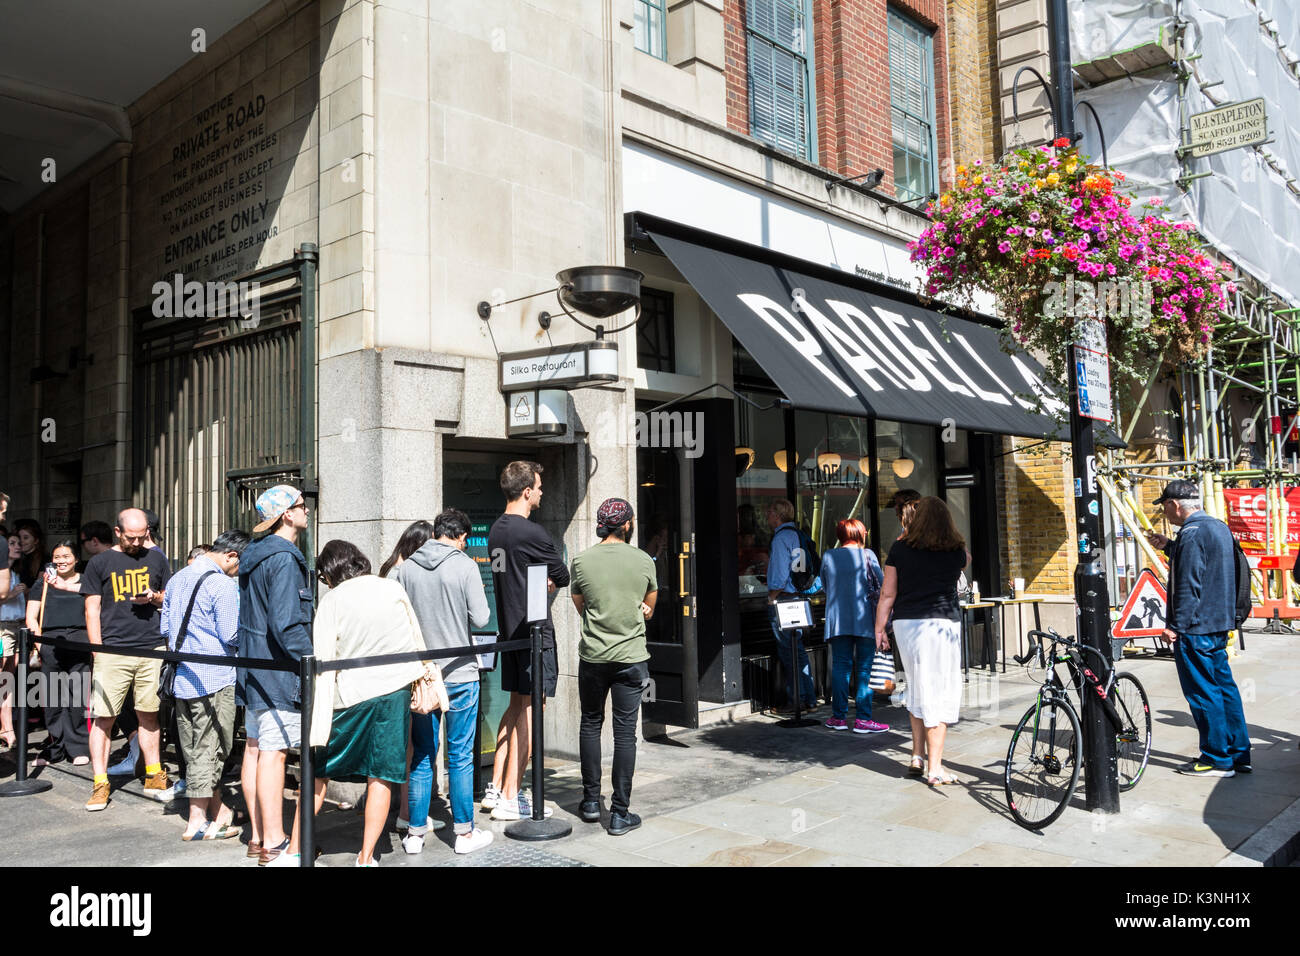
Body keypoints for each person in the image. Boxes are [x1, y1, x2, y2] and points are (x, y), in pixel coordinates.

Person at [276, 540, 426, 867]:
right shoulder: (391, 588)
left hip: (349, 698)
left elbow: (324, 657)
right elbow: (414, 637)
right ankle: (366, 856)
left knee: (317, 773)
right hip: (393, 693)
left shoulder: (334, 600)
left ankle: (294, 851)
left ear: (330, 572)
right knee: (381, 776)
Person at [394, 508, 494, 855]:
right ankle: (464, 834)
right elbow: (481, 616)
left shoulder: (404, 570)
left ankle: (415, 834)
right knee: (461, 755)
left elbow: (398, 621)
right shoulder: (465, 566)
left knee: (422, 754)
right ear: (462, 537)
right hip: (461, 673)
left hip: (422, 675)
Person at [1146, 479, 1251, 777]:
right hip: (1219, 622)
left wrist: (1175, 626)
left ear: (1174, 505)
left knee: (1203, 693)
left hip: (1196, 627)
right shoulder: (1217, 527)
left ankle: (1216, 758)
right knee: (1225, 689)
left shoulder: (1191, 534)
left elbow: (1190, 584)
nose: (1165, 513)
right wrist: (1170, 547)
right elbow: (1213, 564)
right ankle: (1239, 754)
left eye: (1165, 506)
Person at [484, 460, 568, 821]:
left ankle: (497, 788)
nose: (542, 492)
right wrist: (547, 579)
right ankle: (511, 795)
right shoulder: (531, 532)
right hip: (534, 635)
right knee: (533, 710)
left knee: (517, 706)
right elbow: (561, 574)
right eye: (538, 486)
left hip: (510, 633)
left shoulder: (496, 530)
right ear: (527, 491)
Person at [570, 497, 657, 836]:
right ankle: (620, 813)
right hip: (632, 658)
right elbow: (650, 602)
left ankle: (591, 802)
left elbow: (581, 605)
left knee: (590, 723)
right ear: (627, 525)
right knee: (625, 734)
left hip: (593, 656)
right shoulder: (642, 559)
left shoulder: (581, 561)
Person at [237, 484, 314, 864]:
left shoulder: (254, 555)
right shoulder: (284, 559)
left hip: (253, 667)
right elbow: (287, 625)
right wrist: (313, 658)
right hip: (278, 671)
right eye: (303, 505)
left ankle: (257, 836)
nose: (307, 511)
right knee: (274, 753)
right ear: (287, 514)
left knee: (256, 748)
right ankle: (274, 840)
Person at [81, 508, 174, 810]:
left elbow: (167, 598)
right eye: (131, 536)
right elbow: (91, 609)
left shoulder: (157, 558)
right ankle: (100, 782)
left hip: (150, 647)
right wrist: (98, 650)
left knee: (149, 713)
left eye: (142, 535)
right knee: (104, 718)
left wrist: (155, 597)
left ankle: (153, 773)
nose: (137, 541)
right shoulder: (100, 562)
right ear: (118, 532)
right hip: (114, 649)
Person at [161, 530, 249, 841]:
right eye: (241, 563)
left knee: (193, 746)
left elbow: (165, 627)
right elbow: (231, 635)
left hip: (183, 676)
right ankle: (196, 821)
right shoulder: (222, 585)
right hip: (215, 676)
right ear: (231, 556)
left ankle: (219, 812)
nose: (239, 571)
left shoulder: (178, 577)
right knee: (211, 750)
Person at [874, 496, 967, 786]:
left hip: (907, 625)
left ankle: (916, 755)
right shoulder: (955, 551)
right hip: (942, 625)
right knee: (939, 691)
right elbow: (967, 561)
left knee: (917, 686)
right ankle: (935, 768)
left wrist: (879, 629)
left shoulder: (900, 548)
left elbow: (887, 594)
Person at [26, 539, 92, 766]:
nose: (61, 561)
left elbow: (95, 614)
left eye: (66, 556)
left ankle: (78, 747)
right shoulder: (42, 583)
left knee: (77, 698)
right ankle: (54, 748)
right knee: (52, 698)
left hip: (80, 643)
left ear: (76, 559)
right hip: (50, 644)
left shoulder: (86, 582)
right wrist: (40, 646)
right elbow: (31, 617)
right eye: (57, 557)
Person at [821, 518, 888, 734]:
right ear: (860, 534)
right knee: (864, 669)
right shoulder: (868, 555)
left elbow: (824, 584)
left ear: (840, 535)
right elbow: (882, 585)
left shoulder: (829, 556)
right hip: (865, 619)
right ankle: (863, 720)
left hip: (838, 620)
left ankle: (838, 718)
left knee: (841, 667)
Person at [765, 498, 817, 712]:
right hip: (799, 598)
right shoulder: (798, 534)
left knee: (788, 651)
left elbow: (779, 574)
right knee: (799, 650)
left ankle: (796, 700)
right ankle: (809, 699)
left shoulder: (780, 539)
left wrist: (772, 596)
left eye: (769, 513)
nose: (767, 518)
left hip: (784, 598)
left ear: (777, 516)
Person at [0, 532, 27, 749]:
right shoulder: (3, 573)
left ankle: (7, 727)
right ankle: (6, 728)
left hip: (17, 627)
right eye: (12, 543)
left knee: (8, 681)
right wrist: (10, 594)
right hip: (3, 628)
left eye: (19, 543)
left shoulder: (15, 572)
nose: (17, 546)